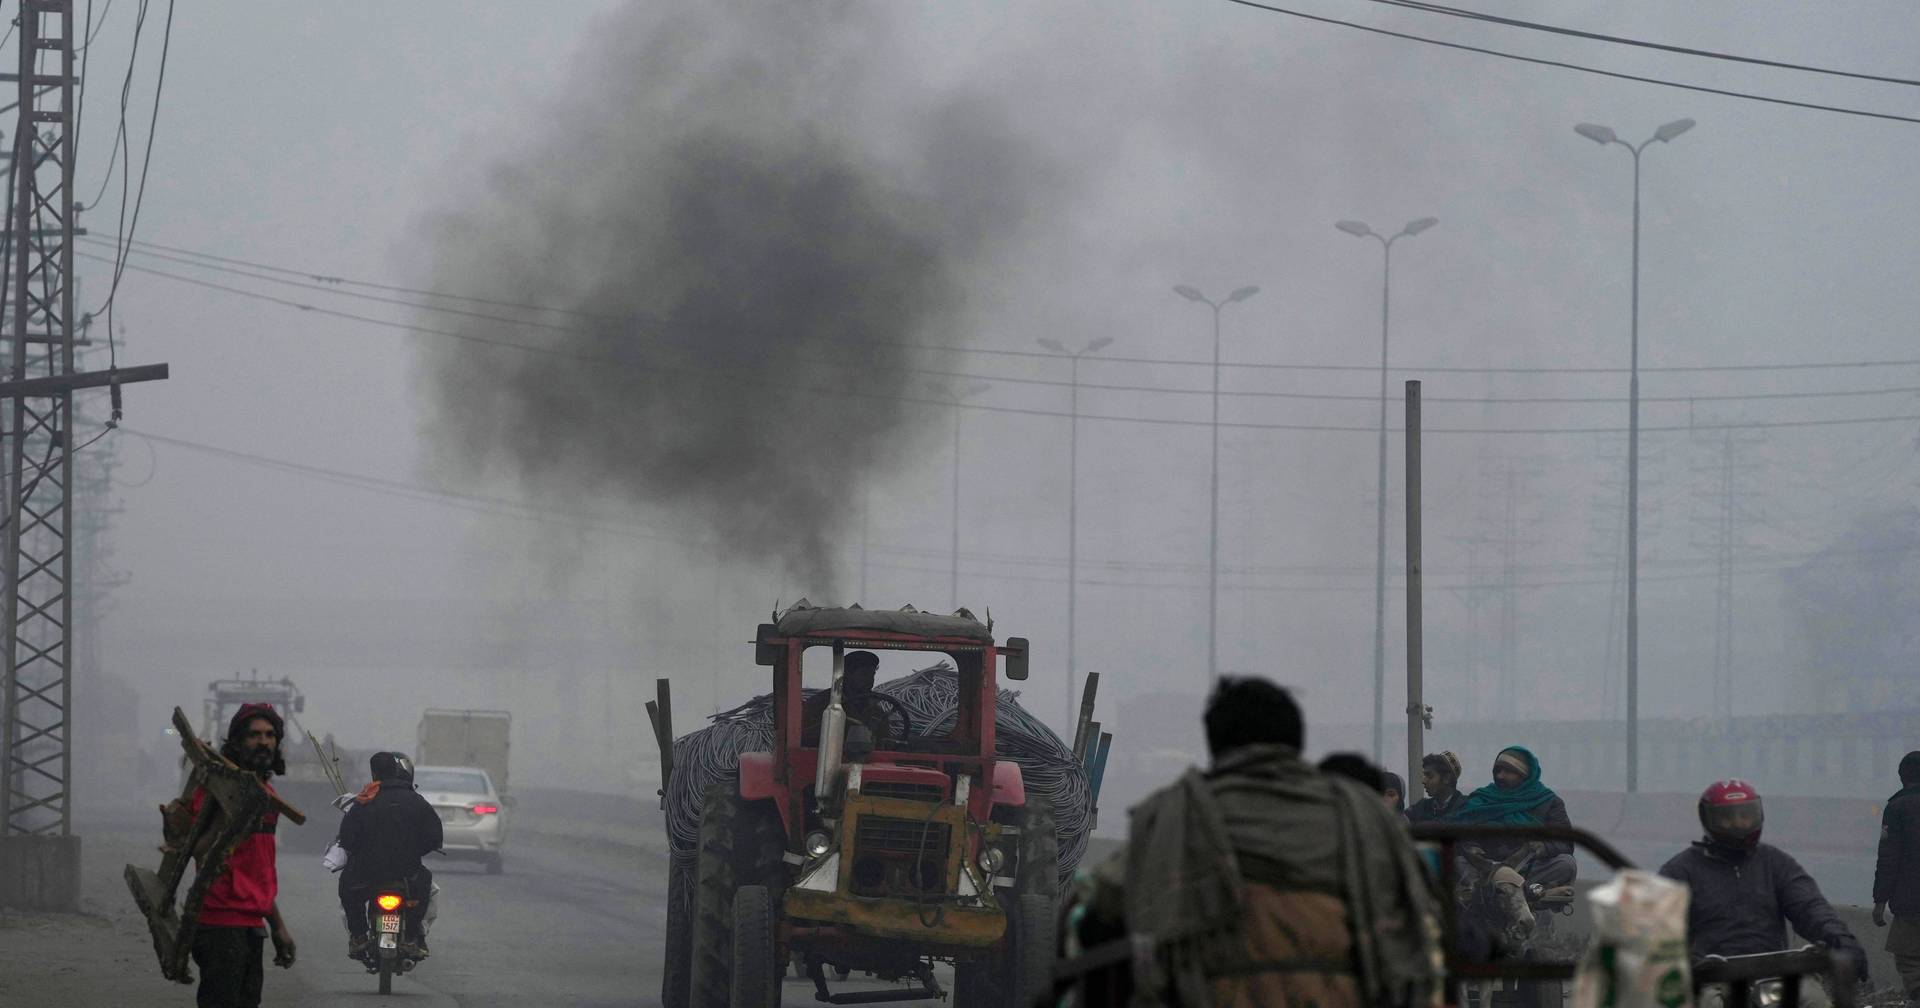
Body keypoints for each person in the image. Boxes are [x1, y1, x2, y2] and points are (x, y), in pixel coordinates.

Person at [1071, 677, 1441, 1008]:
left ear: (1215, 742)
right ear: (1296, 741)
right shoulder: (1363, 813)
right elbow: (1417, 915)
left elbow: (1103, 910)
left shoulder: (1173, 813)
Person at [1659, 779, 1870, 1005]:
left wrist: (1841, 940)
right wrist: (1680, 963)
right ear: (1708, 819)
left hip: (1776, 974)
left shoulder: (1775, 863)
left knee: (1814, 1000)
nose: (1738, 824)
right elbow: (1657, 927)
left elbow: (1810, 907)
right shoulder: (1680, 871)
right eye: (1727, 818)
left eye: (1745, 816)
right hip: (1710, 980)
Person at [177, 702, 296, 1008]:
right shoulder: (218, 789)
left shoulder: (267, 796)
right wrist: (226, 817)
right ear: (238, 741)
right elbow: (193, 851)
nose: (264, 741)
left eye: (270, 735)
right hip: (219, 925)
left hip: (251, 925)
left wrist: (278, 926)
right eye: (254, 735)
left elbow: (257, 872)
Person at [338, 751, 443, 960]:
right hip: (408, 872)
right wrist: (413, 851)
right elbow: (434, 837)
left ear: (374, 773)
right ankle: (412, 938)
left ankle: (359, 936)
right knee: (427, 890)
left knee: (347, 888)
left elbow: (347, 838)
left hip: (366, 873)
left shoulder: (363, 802)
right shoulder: (418, 802)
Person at [1444, 745, 1576, 889]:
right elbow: (1460, 833)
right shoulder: (1481, 799)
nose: (1500, 776)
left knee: (1566, 863)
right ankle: (1494, 886)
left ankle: (1514, 887)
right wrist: (1472, 848)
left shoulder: (1549, 802)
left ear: (1525, 775)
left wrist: (1542, 847)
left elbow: (1565, 844)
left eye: (1508, 772)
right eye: (1498, 770)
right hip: (1485, 867)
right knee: (1456, 862)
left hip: (1527, 868)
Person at [1874, 752, 1920, 1004]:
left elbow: (1889, 859)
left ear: (1902, 776)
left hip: (1911, 902)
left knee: (1909, 958)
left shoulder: (1897, 807)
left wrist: (1880, 901)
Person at [1406, 752, 1466, 824]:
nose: (1423, 781)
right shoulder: (1421, 807)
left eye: (1429, 776)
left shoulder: (1465, 807)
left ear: (1446, 778)